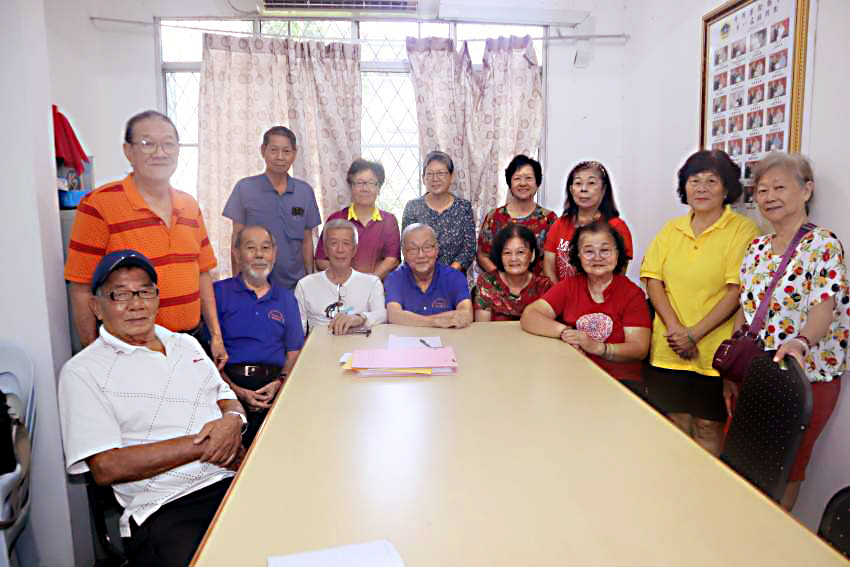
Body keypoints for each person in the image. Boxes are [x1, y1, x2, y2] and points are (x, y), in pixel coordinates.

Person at [58, 250, 247, 567]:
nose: (136, 304)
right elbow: (106, 467)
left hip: (230, 480)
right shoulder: (83, 372)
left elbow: (228, 399)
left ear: (158, 299)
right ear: (96, 307)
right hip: (164, 507)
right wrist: (204, 445)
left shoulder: (185, 344)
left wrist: (233, 420)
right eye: (120, 294)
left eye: (145, 291)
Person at [730, 152, 849, 510]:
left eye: (779, 187)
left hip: (805, 376)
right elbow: (745, 308)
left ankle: (772, 536)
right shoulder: (756, 248)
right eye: (762, 190)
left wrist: (800, 342)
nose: (769, 197)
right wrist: (733, 367)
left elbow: (824, 307)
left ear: (806, 190)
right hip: (757, 374)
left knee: (786, 468)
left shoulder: (822, 245)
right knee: (743, 459)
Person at [64, 110, 227, 368]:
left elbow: (203, 273)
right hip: (130, 349)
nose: (160, 152)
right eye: (147, 143)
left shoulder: (190, 205)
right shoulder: (99, 205)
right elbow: (81, 287)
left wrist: (216, 336)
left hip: (190, 342)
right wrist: (96, 354)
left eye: (168, 144)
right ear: (128, 151)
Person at [640, 150, 760, 455]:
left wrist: (694, 334)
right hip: (668, 346)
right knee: (673, 422)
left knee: (708, 425)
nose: (702, 188)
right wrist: (676, 329)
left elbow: (737, 291)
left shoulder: (744, 230)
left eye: (711, 181)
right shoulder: (671, 229)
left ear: (726, 188)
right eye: (694, 180)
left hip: (714, 351)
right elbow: (653, 279)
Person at [522, 221, 651, 390]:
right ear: (578, 256)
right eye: (589, 251)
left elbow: (639, 348)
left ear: (618, 254)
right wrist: (565, 332)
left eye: (605, 250)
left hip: (620, 383)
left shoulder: (632, 294)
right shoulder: (569, 286)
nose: (597, 257)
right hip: (573, 374)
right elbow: (530, 315)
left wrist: (600, 348)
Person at [215, 225, 303, 446]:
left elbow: (294, 352)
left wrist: (279, 384)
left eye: (265, 248)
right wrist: (234, 390)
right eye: (250, 248)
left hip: (274, 388)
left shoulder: (286, 299)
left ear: (275, 254)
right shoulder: (219, 293)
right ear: (237, 253)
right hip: (228, 389)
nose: (259, 255)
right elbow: (207, 353)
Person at [223, 125, 321, 289]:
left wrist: (309, 280)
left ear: (294, 154)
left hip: (295, 286)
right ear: (263, 151)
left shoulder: (304, 192)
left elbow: (307, 241)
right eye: (274, 150)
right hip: (254, 285)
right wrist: (238, 283)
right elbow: (236, 240)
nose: (280, 157)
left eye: (286, 151)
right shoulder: (245, 188)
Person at [543, 160, 633, 283]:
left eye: (591, 183)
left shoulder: (617, 226)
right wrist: (561, 294)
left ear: (604, 188)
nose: (584, 189)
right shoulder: (559, 224)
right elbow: (549, 269)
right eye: (578, 183)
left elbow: (618, 275)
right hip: (561, 294)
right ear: (571, 189)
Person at [295, 219, 386, 334]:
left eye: (346, 243)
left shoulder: (372, 283)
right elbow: (297, 331)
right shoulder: (305, 285)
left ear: (354, 249)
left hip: (359, 344)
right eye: (333, 243)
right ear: (325, 249)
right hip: (319, 343)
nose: (340, 250)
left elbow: (382, 315)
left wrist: (360, 318)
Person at [315, 159, 400, 279]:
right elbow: (321, 260)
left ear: (379, 188)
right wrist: (349, 280)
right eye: (359, 183)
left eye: (371, 183)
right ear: (351, 187)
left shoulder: (389, 221)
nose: (365, 188)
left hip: (377, 286)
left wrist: (369, 282)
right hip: (341, 285)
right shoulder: (336, 219)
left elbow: (392, 260)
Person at [476, 155, 557, 275]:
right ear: (509, 183)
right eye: (517, 178)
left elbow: (554, 259)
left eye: (528, 178)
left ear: (537, 183)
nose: (523, 183)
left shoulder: (549, 218)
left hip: (537, 284)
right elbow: (483, 255)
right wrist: (501, 278)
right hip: (500, 283)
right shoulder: (494, 216)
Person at [384, 223, 472, 328]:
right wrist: (436, 322)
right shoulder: (395, 279)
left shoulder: (454, 277)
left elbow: (465, 314)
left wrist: (411, 319)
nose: (421, 255)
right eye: (413, 249)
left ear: (437, 249)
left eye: (427, 247)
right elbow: (394, 315)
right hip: (408, 337)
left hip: (447, 337)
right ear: (404, 253)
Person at [402, 151, 475, 272]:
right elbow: (408, 247)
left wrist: (448, 274)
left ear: (451, 177)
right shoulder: (412, 207)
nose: (435, 179)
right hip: (419, 276)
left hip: (453, 276)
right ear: (423, 178)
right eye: (430, 174)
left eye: (440, 173)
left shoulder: (463, 207)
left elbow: (468, 249)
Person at [474, 224, 552, 322]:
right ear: (500, 256)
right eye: (507, 253)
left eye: (520, 252)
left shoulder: (544, 287)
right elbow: (482, 327)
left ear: (532, 255)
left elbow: (548, 325)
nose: (513, 258)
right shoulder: (487, 283)